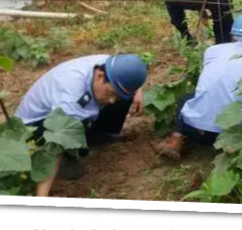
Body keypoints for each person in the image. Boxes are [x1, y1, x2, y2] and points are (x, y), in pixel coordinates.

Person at [13, 54, 148, 197]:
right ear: (100, 76)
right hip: (33, 128)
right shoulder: (71, 97)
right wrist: (42, 197)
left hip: (66, 111)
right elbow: (57, 142)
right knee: (71, 163)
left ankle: (100, 136)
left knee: (123, 96)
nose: (112, 101)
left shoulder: (110, 65)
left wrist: (137, 92)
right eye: (111, 93)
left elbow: (130, 72)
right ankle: (67, 156)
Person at [153, 14, 242, 160]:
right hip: (231, 135)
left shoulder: (213, 51)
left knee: (186, 98)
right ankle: (233, 149)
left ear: (232, 34)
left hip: (195, 130)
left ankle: (175, 142)